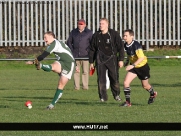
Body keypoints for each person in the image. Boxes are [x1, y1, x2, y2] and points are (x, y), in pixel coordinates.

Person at [26, 31, 75, 110]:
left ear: (52, 37)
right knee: (53, 66)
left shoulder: (54, 44)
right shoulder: (54, 44)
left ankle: (51, 105)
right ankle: (41, 66)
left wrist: (33, 62)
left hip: (69, 64)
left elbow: (43, 56)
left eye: (46, 37)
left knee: (60, 85)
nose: (44, 39)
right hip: (61, 61)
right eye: (44, 37)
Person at [89, 18, 124, 102]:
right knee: (101, 79)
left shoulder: (114, 34)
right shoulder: (96, 35)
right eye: (100, 23)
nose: (101, 25)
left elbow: (121, 47)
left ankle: (116, 95)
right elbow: (92, 49)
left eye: (103, 23)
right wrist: (91, 62)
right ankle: (103, 97)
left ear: (107, 25)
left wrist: (121, 59)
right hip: (100, 59)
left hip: (112, 58)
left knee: (114, 78)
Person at [121, 29, 157, 107]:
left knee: (145, 86)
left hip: (142, 67)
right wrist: (127, 61)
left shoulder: (136, 45)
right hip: (134, 67)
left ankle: (153, 93)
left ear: (132, 36)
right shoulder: (125, 45)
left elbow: (141, 58)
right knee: (126, 82)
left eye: (126, 35)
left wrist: (132, 65)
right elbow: (129, 55)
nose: (124, 37)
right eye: (124, 35)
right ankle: (128, 102)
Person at [67, 19, 93, 90]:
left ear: (85, 25)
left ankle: (85, 87)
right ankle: (76, 87)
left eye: (81, 24)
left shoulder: (89, 32)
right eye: (79, 24)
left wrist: (89, 51)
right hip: (75, 55)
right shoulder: (73, 32)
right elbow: (69, 42)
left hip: (85, 55)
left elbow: (92, 43)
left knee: (85, 72)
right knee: (76, 71)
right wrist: (72, 51)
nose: (80, 25)